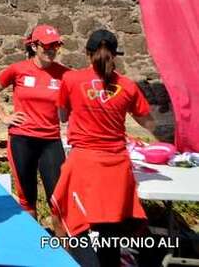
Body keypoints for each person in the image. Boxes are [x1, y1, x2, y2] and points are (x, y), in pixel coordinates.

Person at [51, 29, 157, 266]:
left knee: (69, 220)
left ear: (88, 53)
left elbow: (63, 117)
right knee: (111, 226)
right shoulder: (128, 86)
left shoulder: (71, 80)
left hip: (83, 165)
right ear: (114, 55)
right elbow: (149, 122)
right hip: (117, 168)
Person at [0, 24, 68, 232]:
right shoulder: (18, 69)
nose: (52, 50)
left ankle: (64, 255)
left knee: (58, 201)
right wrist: (4, 116)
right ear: (34, 46)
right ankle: (33, 247)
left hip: (51, 140)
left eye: (55, 45)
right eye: (47, 45)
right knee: (27, 198)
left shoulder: (65, 74)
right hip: (22, 139)